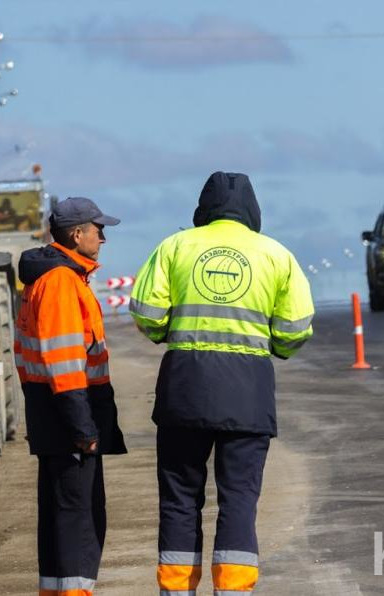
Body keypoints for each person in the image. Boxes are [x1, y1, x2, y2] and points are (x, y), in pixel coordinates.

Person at [129, 172, 314, 595]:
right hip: (248, 396)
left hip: (184, 391)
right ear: (252, 209)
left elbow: (146, 311)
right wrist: (278, 347)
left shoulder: (174, 247)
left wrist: (164, 333)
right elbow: (296, 325)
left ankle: (176, 591)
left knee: (179, 499)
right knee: (239, 501)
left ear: (203, 208)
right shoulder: (276, 255)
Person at [14, 196, 128, 596]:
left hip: (50, 412)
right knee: (80, 520)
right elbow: (64, 364)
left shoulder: (49, 277)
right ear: (77, 234)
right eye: (99, 231)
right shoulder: (62, 282)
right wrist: (83, 427)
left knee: (60, 516)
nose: (103, 239)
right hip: (69, 416)